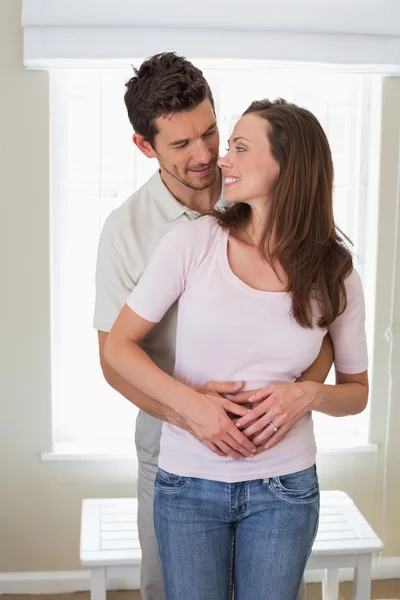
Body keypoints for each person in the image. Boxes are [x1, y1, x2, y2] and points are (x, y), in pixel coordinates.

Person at [103, 97, 369, 600]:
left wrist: (307, 395)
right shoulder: (194, 243)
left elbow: (356, 391)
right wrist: (192, 405)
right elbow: (119, 347)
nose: (221, 158)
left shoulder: (337, 273)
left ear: (288, 165)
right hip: (187, 484)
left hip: (284, 489)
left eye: (239, 148)